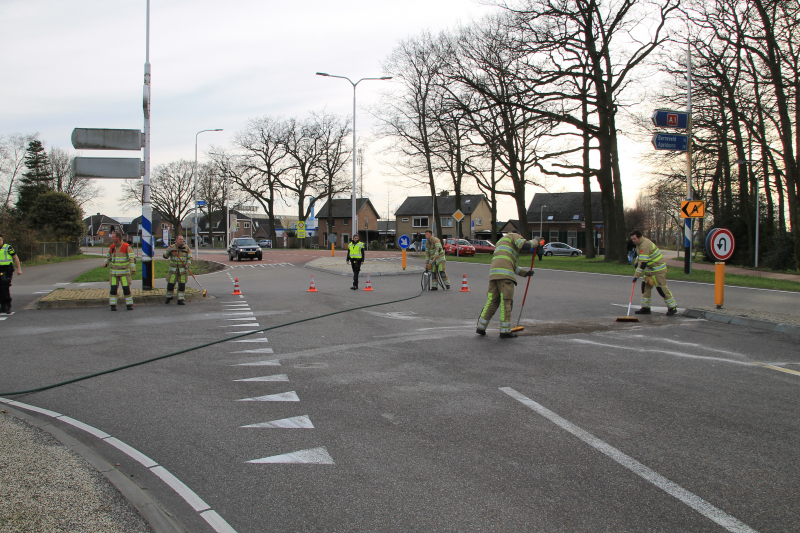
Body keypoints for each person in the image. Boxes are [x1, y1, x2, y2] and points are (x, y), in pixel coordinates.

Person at [476, 232, 534, 338]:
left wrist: (525, 273)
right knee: (506, 303)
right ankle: (505, 331)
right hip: (505, 277)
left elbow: (513, 266)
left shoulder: (501, 242)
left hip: (494, 275)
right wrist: (536, 241)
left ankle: (481, 327)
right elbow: (525, 245)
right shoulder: (514, 235)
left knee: (492, 302)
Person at [630, 229, 677, 316]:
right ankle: (646, 308)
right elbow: (641, 256)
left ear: (639, 237)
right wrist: (636, 262)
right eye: (632, 239)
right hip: (650, 270)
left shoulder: (645, 245)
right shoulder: (639, 244)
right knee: (645, 288)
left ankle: (672, 307)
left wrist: (636, 276)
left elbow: (643, 264)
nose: (633, 241)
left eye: (634, 239)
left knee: (661, 288)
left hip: (657, 270)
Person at [103, 230, 135, 311]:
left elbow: (132, 259)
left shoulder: (126, 246)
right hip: (114, 274)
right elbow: (108, 257)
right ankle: (113, 305)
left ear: (118, 237)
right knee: (113, 290)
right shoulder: (112, 247)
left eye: (113, 237)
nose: (112, 238)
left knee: (126, 289)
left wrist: (132, 269)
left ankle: (129, 305)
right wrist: (106, 263)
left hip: (124, 273)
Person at [164, 234, 192, 305]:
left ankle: (180, 299)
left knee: (182, 285)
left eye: (182, 239)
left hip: (183, 272)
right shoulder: (171, 247)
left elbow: (190, 258)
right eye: (180, 239)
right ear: (176, 240)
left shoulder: (186, 248)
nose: (181, 241)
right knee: (170, 284)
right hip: (173, 271)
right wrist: (168, 252)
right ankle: (169, 297)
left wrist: (187, 265)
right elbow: (165, 256)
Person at [0, 233, 23, 314]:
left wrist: (19, 269)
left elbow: (15, 258)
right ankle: (2, 306)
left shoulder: (8, 248)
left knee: (4, 287)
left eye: (0, 240)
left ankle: (8, 305)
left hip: (7, 270)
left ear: (2, 240)